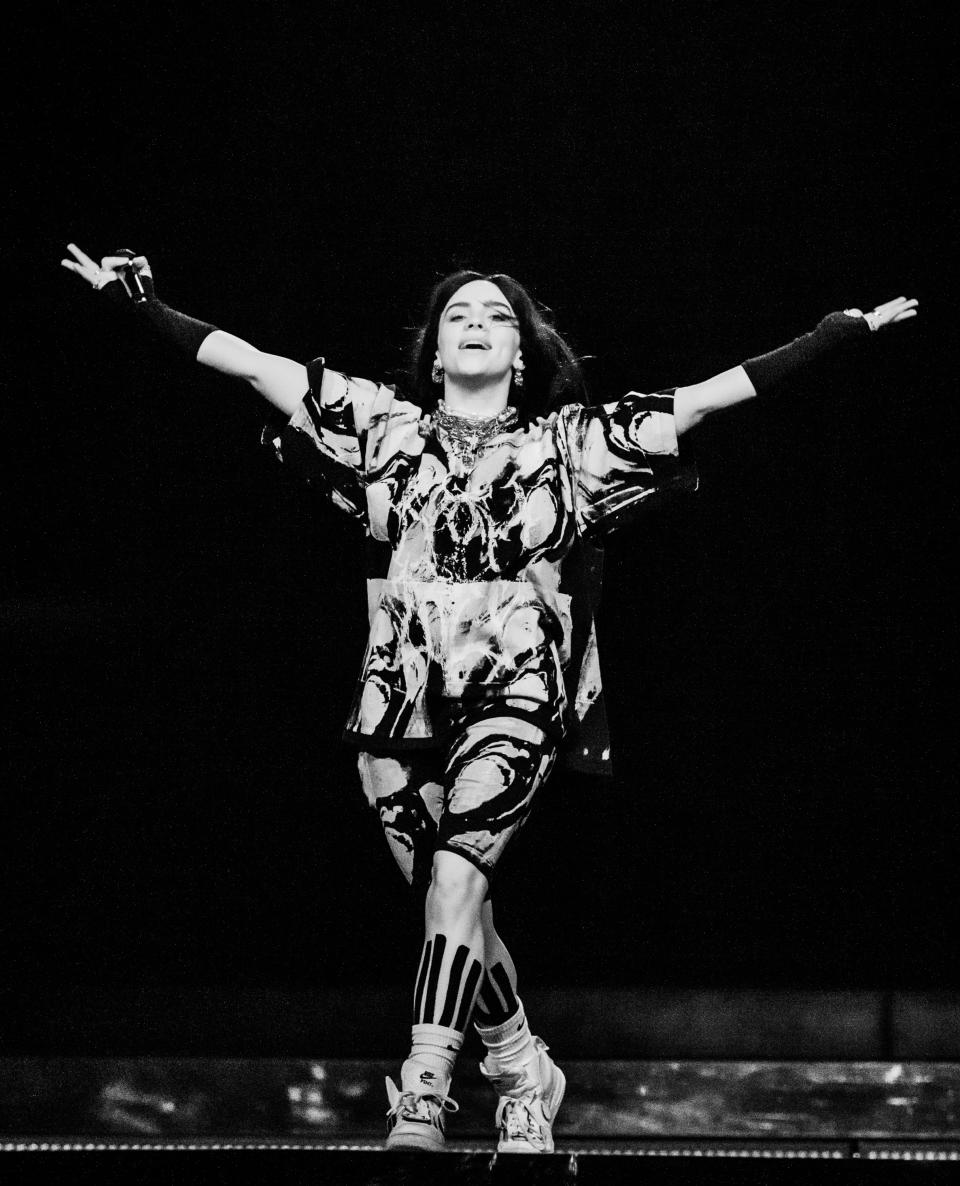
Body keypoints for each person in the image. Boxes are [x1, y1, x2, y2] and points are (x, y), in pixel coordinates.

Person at [61, 243, 917, 1153]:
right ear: (434, 351)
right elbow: (246, 361)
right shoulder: (378, 422)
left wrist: (831, 336)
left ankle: (425, 1092)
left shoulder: (568, 443)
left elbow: (705, 398)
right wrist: (139, 305)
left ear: (520, 352)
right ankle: (519, 1067)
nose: (476, 322)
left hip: (516, 679)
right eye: (459, 314)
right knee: (447, 899)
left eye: (497, 316)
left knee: (461, 877)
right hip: (398, 695)